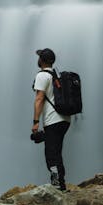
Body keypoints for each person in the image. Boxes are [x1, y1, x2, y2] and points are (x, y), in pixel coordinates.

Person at [32, 48, 71, 191]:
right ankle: (61, 184)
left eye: (39, 57)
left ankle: (57, 185)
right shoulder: (56, 75)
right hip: (65, 119)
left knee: (51, 154)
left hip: (53, 120)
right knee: (57, 152)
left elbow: (39, 98)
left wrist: (36, 122)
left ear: (41, 60)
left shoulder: (42, 75)